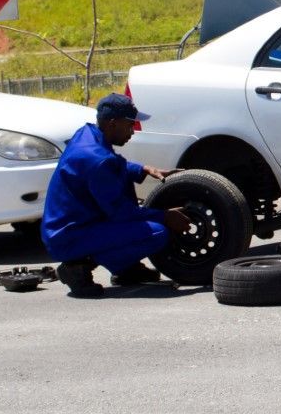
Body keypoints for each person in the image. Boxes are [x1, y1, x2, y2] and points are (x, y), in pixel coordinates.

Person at [41, 93, 189, 298]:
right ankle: (76, 267)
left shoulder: (87, 134)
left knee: (143, 222)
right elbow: (121, 213)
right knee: (156, 233)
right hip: (70, 236)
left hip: (70, 226)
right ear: (112, 124)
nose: (133, 131)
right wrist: (164, 216)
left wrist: (143, 169)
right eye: (130, 125)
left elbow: (111, 163)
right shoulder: (97, 161)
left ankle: (125, 268)